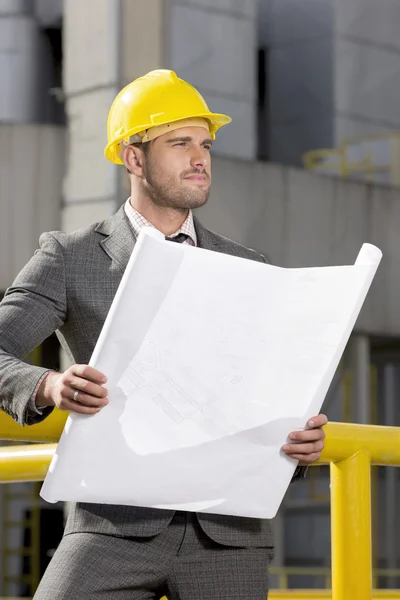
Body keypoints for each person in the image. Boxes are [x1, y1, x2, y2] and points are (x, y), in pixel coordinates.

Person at [0, 69, 327, 599]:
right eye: (180, 143)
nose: (200, 158)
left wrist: (298, 438)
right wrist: (50, 387)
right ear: (134, 158)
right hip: (113, 525)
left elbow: (268, 390)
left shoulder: (249, 266)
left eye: (205, 144)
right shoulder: (70, 256)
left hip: (228, 533)